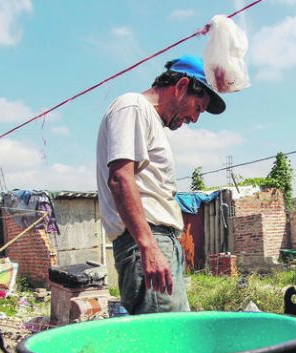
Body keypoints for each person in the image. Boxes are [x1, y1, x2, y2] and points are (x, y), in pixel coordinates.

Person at [96, 55, 226, 315]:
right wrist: (149, 247)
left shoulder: (149, 119)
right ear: (180, 86)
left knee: (175, 337)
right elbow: (121, 178)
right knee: (166, 345)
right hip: (147, 239)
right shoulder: (132, 106)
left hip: (159, 240)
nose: (195, 119)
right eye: (197, 108)